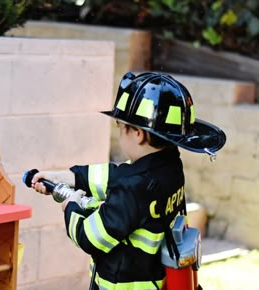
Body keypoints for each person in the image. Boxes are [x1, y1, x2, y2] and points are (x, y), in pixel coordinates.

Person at [30, 72, 226, 290]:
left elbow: (90, 238)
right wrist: (69, 178)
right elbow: (117, 175)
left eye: (120, 127)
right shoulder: (169, 168)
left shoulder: (133, 188)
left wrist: (71, 207)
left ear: (138, 134)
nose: (120, 133)